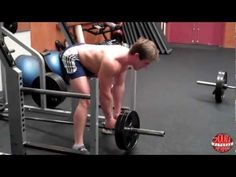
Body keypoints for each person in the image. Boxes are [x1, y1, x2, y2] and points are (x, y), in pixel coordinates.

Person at [61, 37, 160, 154]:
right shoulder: (112, 63)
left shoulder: (126, 59)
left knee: (111, 89)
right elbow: (105, 93)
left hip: (92, 59)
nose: (146, 67)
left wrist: (116, 115)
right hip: (73, 56)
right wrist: (108, 119)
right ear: (137, 56)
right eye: (146, 63)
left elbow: (119, 85)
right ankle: (78, 144)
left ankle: (109, 120)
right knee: (86, 99)